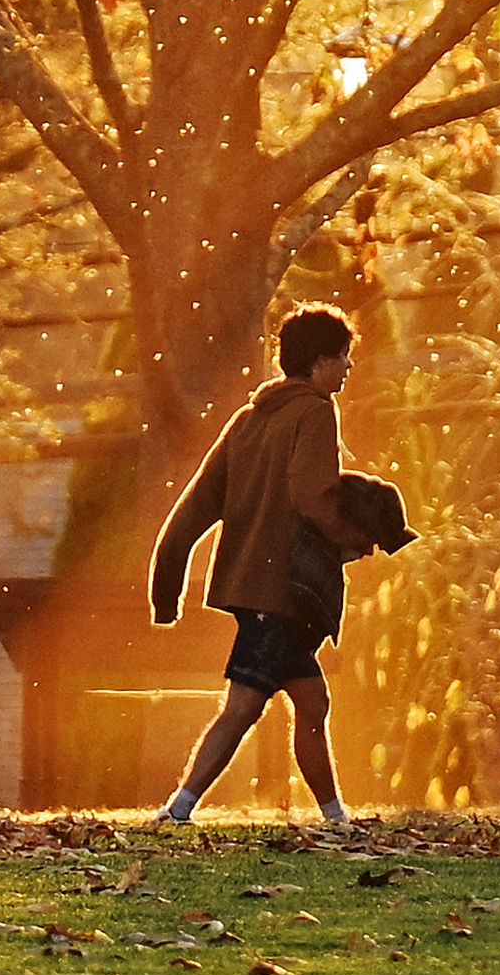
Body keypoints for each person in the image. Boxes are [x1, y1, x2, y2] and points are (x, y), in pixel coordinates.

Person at [145, 307, 371, 828]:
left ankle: (335, 816)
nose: (347, 368)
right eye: (342, 357)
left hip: (252, 590)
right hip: (283, 591)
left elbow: (197, 505)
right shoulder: (315, 412)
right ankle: (178, 809)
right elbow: (314, 496)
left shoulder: (248, 421)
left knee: (312, 703)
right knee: (243, 708)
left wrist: (167, 587)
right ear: (319, 363)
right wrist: (354, 537)